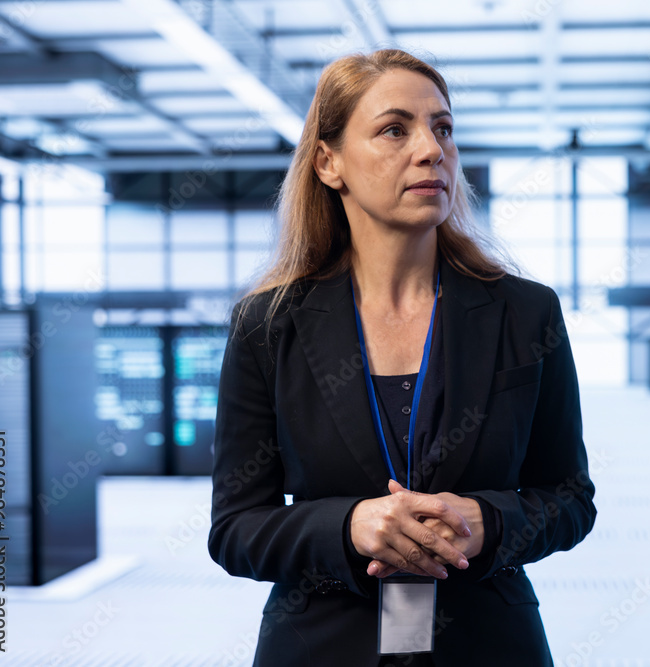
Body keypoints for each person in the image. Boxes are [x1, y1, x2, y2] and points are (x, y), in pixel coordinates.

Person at [207, 48, 596, 667]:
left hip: (489, 646)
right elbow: (235, 529)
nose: (431, 149)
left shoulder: (525, 314)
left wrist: (489, 522)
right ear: (329, 162)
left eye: (442, 128)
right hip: (321, 647)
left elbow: (570, 498)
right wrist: (349, 526)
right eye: (395, 129)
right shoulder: (268, 325)